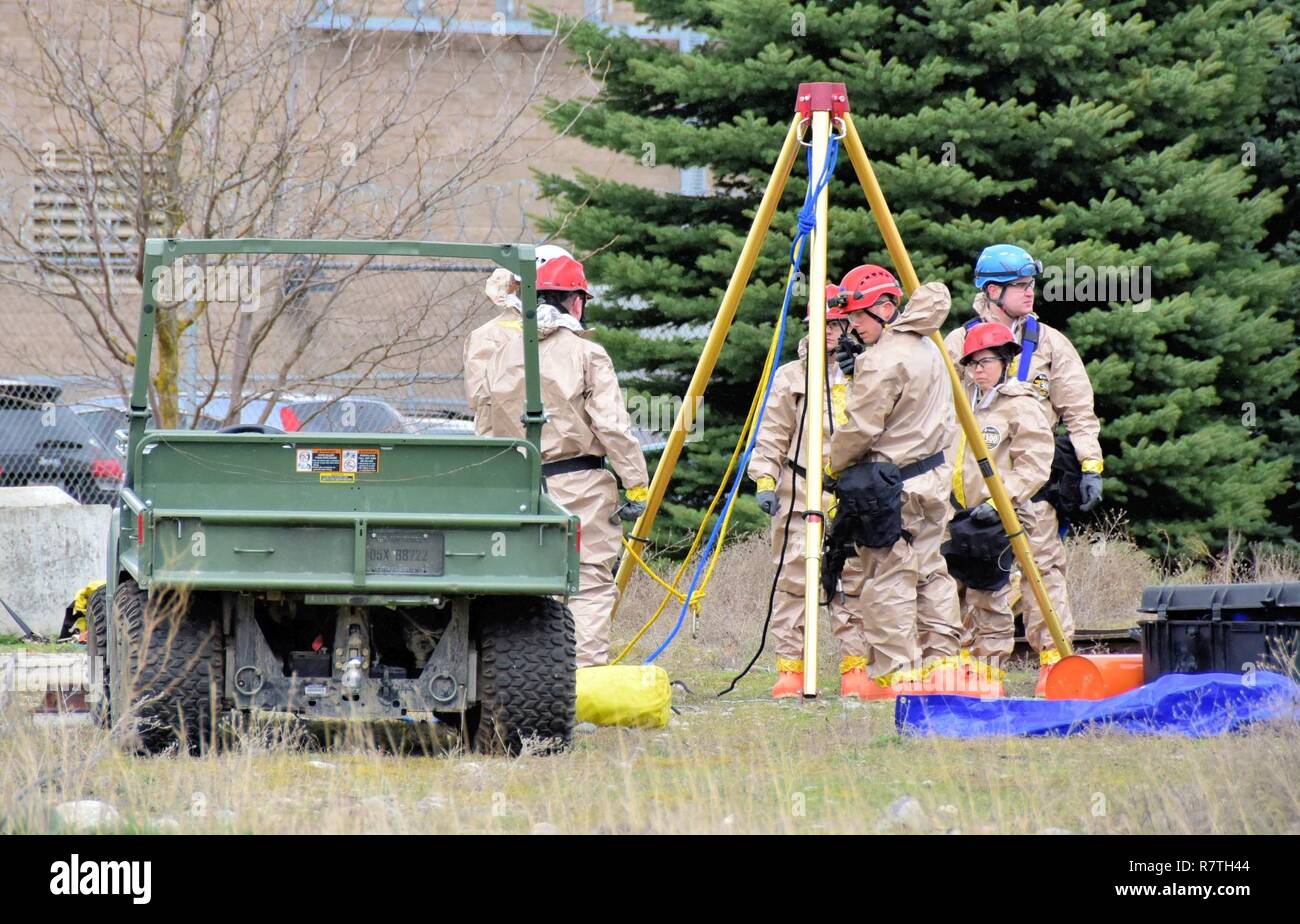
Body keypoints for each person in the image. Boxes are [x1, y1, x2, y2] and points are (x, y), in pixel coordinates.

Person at [944, 244, 1105, 693]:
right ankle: (972, 671)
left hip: (1031, 485)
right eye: (1020, 286)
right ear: (992, 290)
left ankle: (1055, 667)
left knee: (1044, 575)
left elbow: (1078, 409)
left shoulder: (1051, 343)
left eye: (1032, 284)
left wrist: (1090, 464)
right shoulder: (957, 344)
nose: (1030, 293)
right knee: (965, 578)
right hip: (971, 491)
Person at [477, 255, 649, 667]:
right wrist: (636, 482)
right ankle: (582, 685)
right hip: (579, 487)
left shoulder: (500, 351)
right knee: (587, 584)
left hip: (516, 484)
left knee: (526, 588)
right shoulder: (587, 354)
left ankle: (531, 682)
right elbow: (612, 426)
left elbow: (483, 421)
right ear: (576, 302)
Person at [828, 267, 963, 698]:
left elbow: (863, 428)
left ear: (886, 309)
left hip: (895, 487)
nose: (854, 328)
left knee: (888, 577)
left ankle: (895, 676)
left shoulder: (884, 360)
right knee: (930, 572)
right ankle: (942, 665)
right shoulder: (927, 345)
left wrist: (834, 466)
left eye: (860, 318)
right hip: (934, 477)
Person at [748, 285, 874, 699]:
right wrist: (765, 480)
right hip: (800, 488)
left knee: (850, 580)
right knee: (794, 580)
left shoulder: (866, 372)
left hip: (850, 490)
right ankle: (791, 669)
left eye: (837, 324)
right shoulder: (791, 377)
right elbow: (770, 435)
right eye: (822, 324)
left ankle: (855, 668)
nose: (830, 332)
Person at [944, 322, 1053, 696]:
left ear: (1005, 361)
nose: (978, 369)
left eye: (986, 361)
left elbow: (1035, 465)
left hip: (999, 517)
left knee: (990, 597)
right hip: (957, 516)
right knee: (946, 597)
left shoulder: (1020, 405)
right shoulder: (962, 402)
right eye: (971, 362)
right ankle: (955, 673)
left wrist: (1000, 502)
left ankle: (989, 677)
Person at [464, 244, 573, 434]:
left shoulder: (568, 333)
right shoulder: (489, 335)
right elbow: (482, 399)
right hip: (509, 449)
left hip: (517, 450)